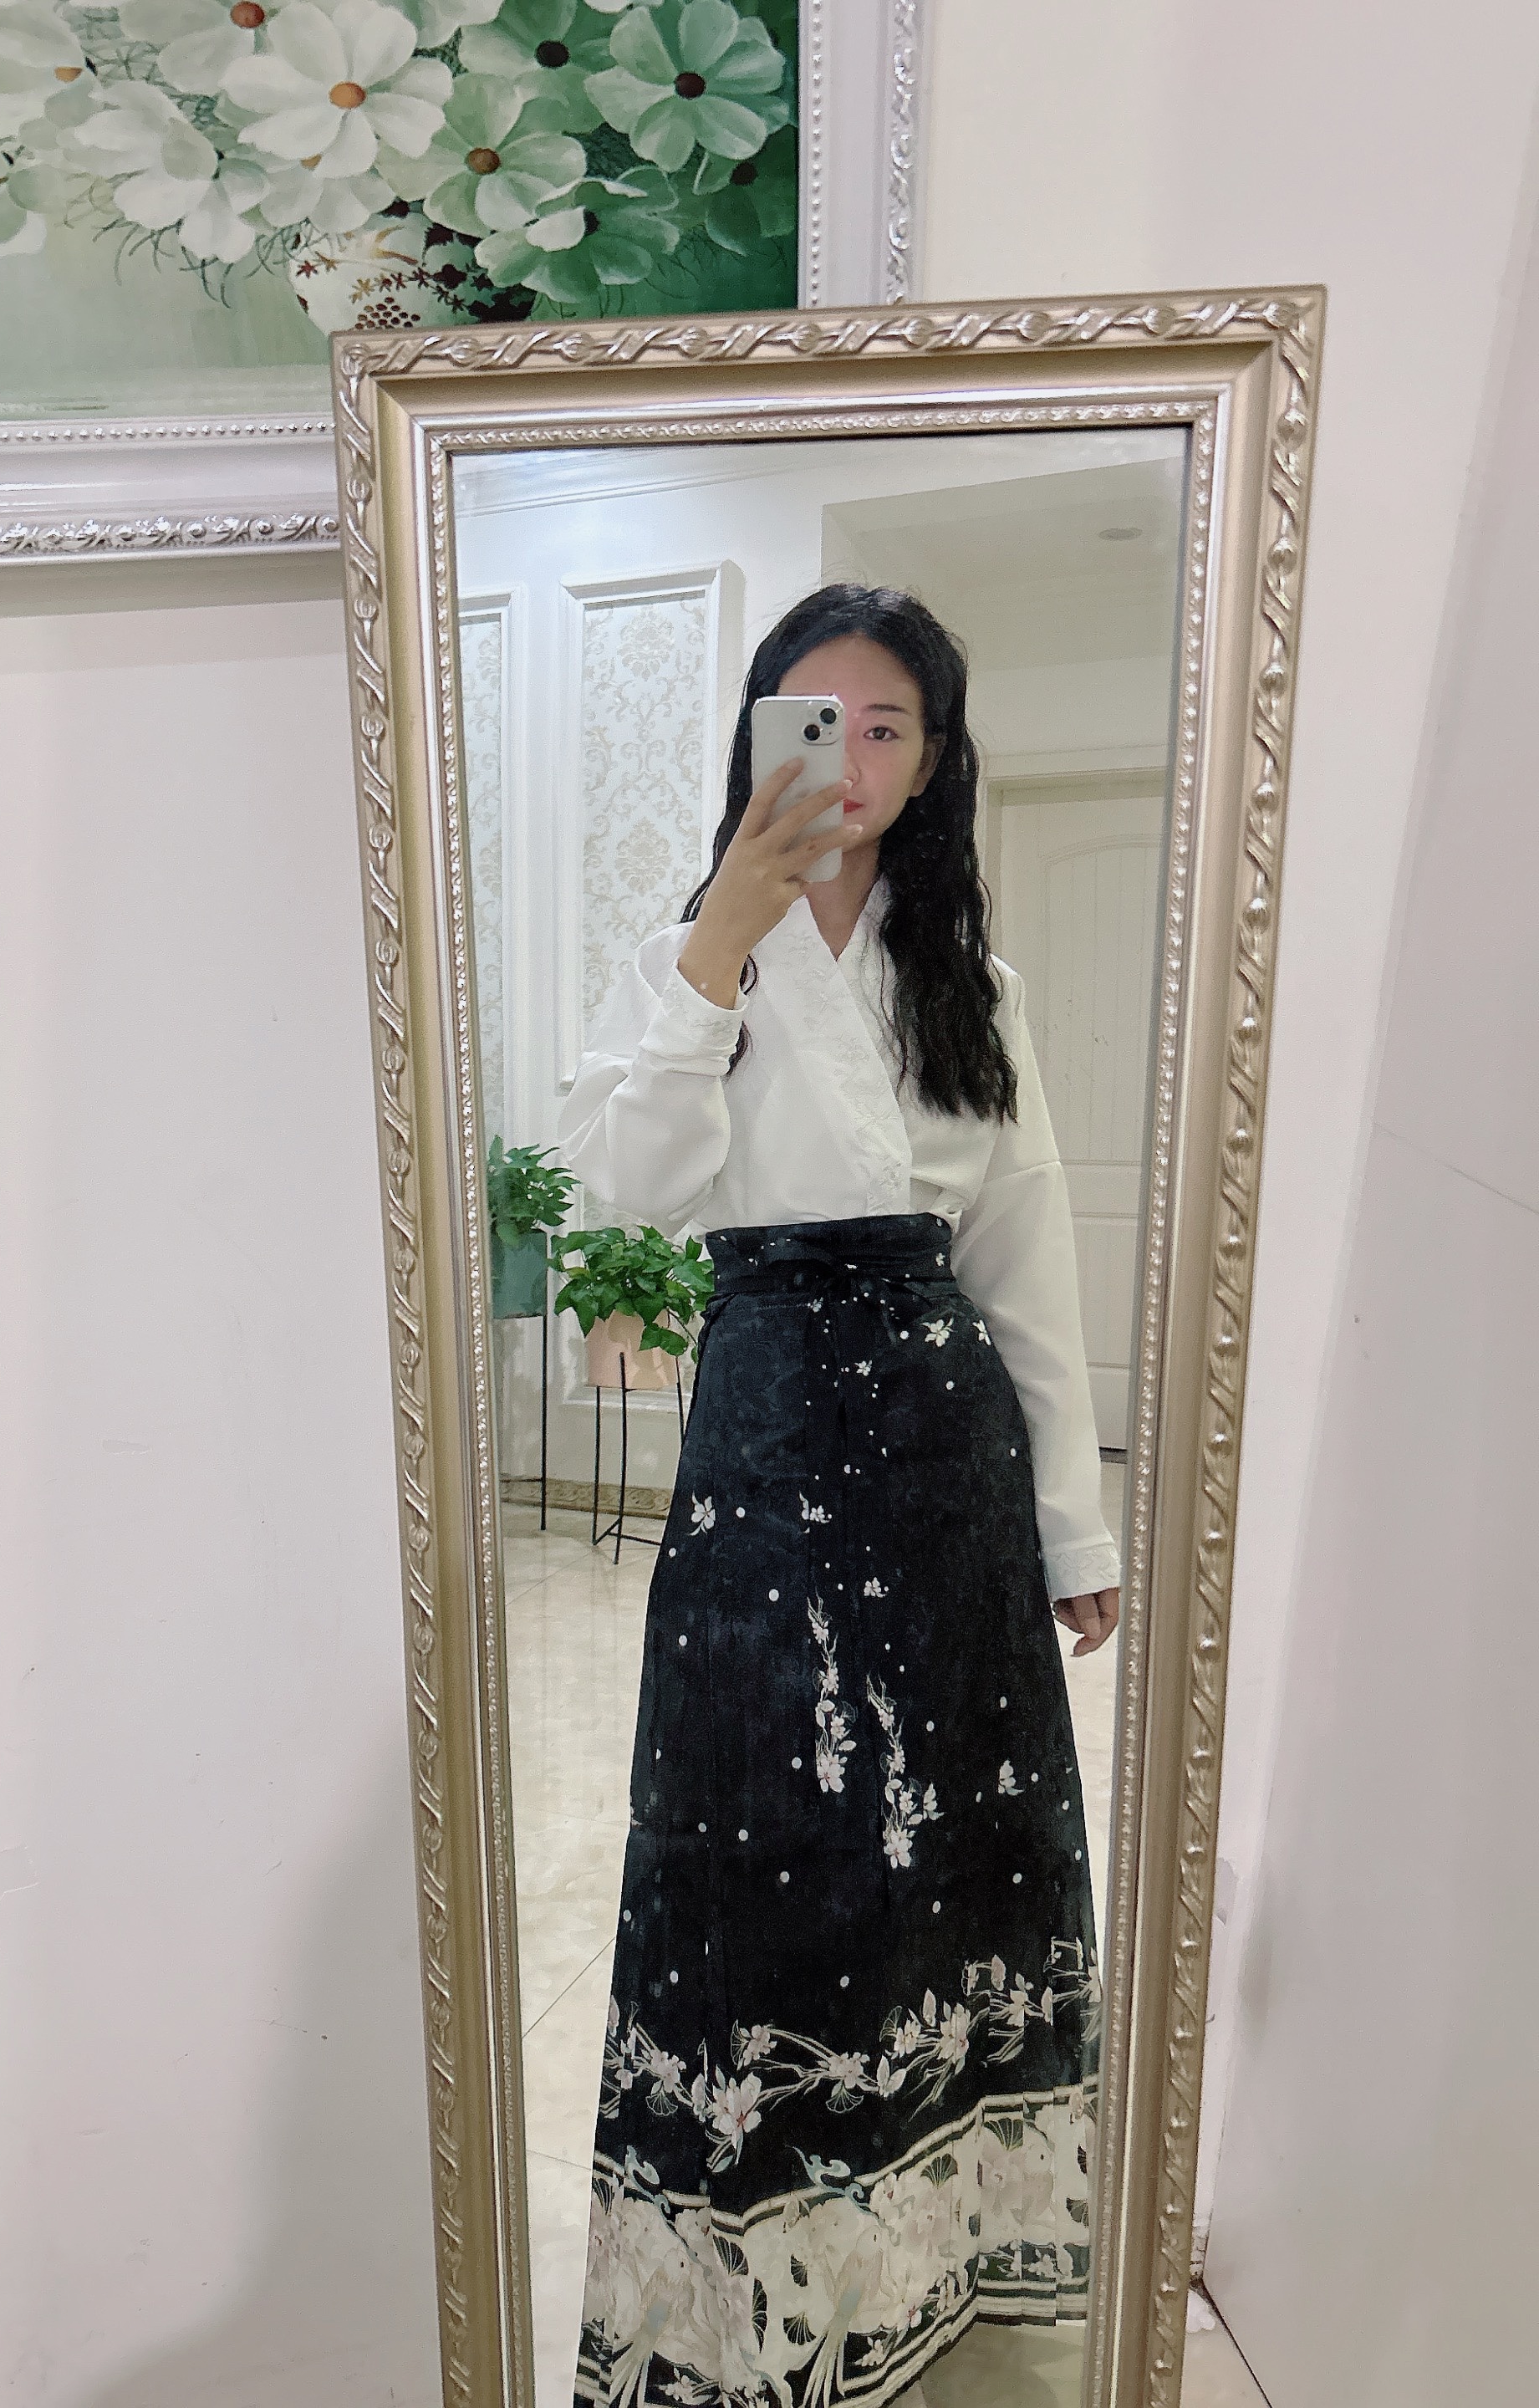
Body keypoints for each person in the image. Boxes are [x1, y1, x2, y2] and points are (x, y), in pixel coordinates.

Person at [557, 585, 1120, 2408]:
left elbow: (1025, 1260)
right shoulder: (689, 959)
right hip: (770, 1441)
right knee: (762, 1842)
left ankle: (935, 2247)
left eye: (889, 728)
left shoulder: (977, 991)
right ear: (756, 739)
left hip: (950, 1456)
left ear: (936, 763)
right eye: (816, 721)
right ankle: (756, 2269)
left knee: (943, 1851)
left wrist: (1072, 1527)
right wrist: (719, 941)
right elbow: (632, 1188)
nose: (851, 760)